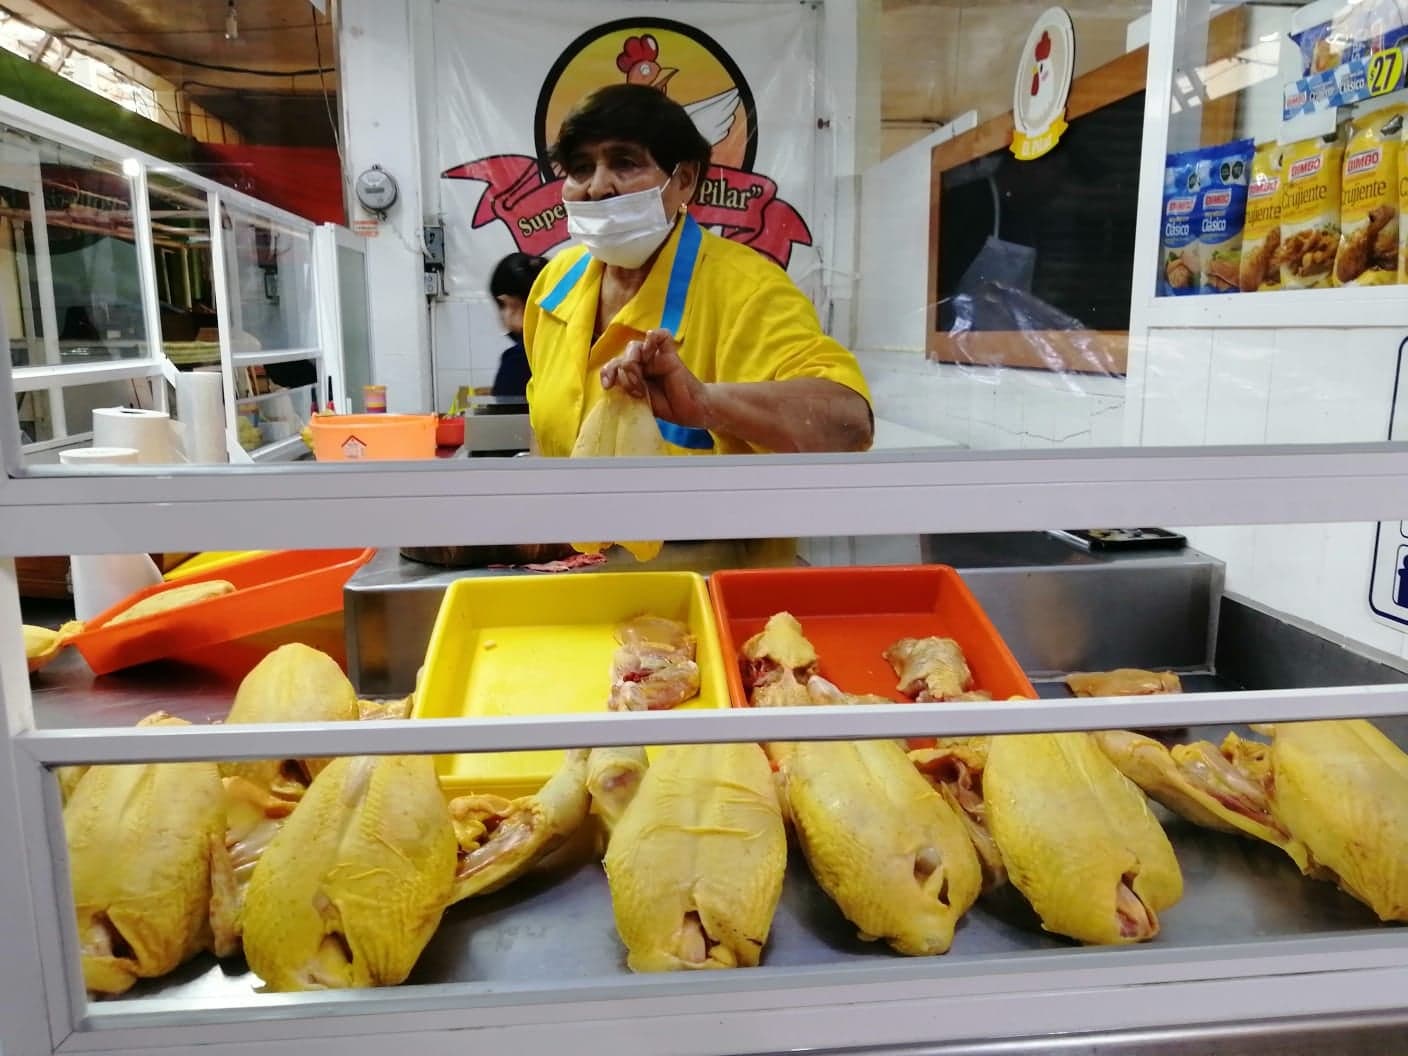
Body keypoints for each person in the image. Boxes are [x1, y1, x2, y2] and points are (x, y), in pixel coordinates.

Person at [522, 84, 873, 457]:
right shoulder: (553, 286)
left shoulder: (749, 291)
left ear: (685, 180)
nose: (597, 187)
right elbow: (543, 432)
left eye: (624, 163)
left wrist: (706, 402)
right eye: (580, 168)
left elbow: (848, 425)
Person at [488, 252, 548, 399]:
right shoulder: (579, 344)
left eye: (501, 305)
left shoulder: (516, 360)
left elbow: (504, 418)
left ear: (511, 303)